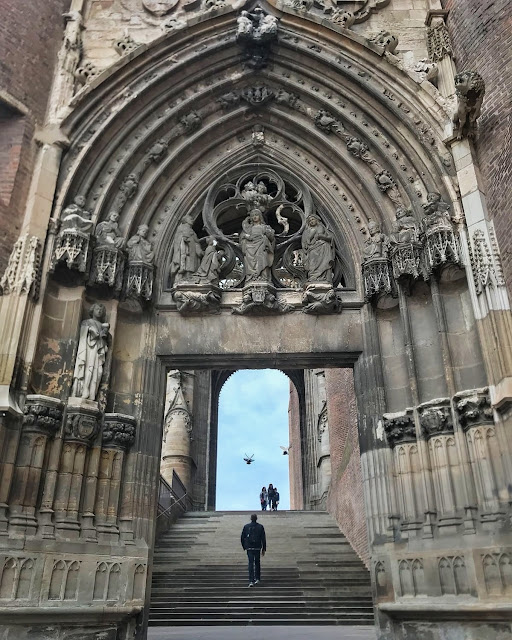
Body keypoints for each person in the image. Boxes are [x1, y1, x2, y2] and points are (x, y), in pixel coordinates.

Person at [241, 514, 266, 587]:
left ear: (251, 519)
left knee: (250, 563)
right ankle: (257, 578)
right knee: (257, 563)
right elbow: (263, 538)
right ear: (256, 519)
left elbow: (242, 537)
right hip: (257, 547)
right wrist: (264, 548)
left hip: (249, 548)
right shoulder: (260, 527)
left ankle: (251, 580)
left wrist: (244, 546)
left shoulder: (246, 526)